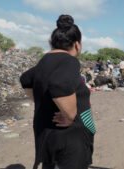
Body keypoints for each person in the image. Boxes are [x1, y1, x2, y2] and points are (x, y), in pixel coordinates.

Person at [20, 14, 95, 169]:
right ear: (77, 44)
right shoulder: (69, 61)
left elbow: (26, 79)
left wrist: (43, 102)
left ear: (52, 43)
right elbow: (59, 84)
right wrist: (69, 115)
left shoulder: (45, 61)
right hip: (70, 138)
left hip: (48, 135)